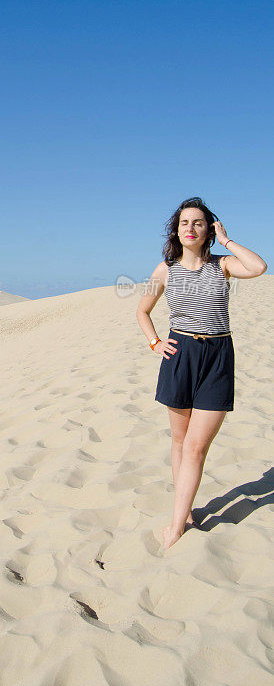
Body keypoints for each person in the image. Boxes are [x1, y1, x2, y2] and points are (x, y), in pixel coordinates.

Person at [136, 196, 267, 550]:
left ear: (208, 229)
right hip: (179, 356)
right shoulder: (164, 270)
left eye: (198, 223)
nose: (190, 228)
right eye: (184, 223)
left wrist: (227, 241)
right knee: (180, 443)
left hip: (217, 357)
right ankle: (186, 511)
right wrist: (154, 343)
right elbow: (142, 311)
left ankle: (176, 526)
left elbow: (258, 267)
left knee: (195, 447)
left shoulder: (223, 266)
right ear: (176, 231)